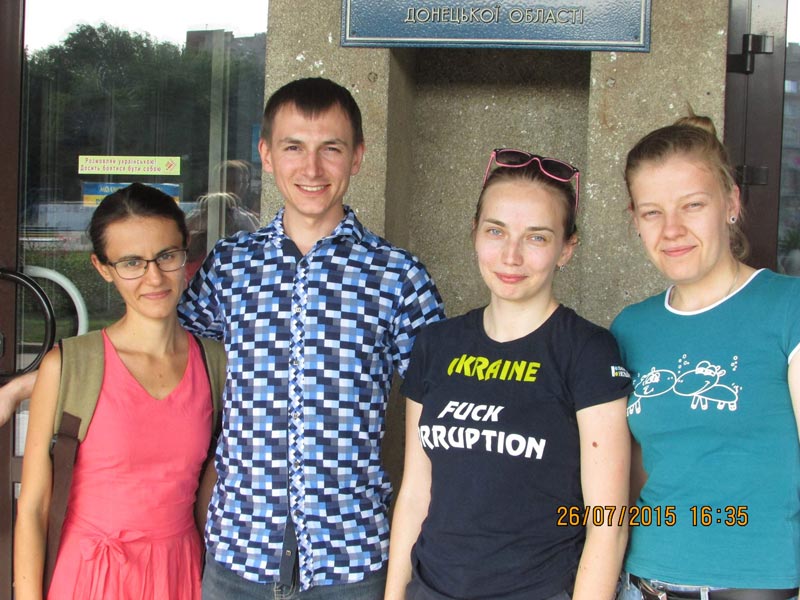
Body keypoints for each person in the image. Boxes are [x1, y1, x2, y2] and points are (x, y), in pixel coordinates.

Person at [179, 77, 445, 599]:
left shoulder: (398, 277)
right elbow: (159, 360)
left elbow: (446, 410)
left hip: (352, 559)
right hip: (236, 556)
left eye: (332, 149)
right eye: (293, 147)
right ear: (266, 155)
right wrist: (47, 379)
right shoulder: (229, 268)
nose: (312, 169)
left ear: (358, 157)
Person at [385, 149, 632, 600]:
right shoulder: (437, 345)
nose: (511, 256)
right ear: (474, 233)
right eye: (496, 231)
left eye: (537, 237)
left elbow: (608, 525)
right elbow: (416, 493)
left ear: (566, 249)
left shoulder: (587, 352)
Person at [612, 115, 800, 599]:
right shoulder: (631, 327)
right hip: (642, 582)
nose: (672, 230)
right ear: (635, 221)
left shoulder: (789, 307)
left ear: (731, 203)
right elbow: (632, 470)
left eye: (692, 205)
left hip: (756, 585)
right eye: (652, 212)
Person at [14, 183, 220, 599]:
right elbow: (34, 508)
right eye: (131, 262)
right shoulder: (67, 366)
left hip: (180, 574)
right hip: (90, 576)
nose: (154, 277)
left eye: (167, 255)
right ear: (103, 267)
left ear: (186, 253)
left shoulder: (216, 365)